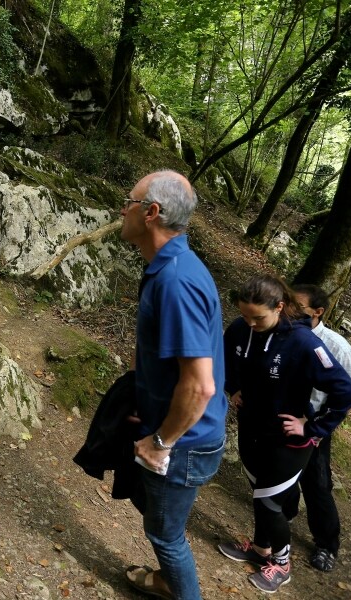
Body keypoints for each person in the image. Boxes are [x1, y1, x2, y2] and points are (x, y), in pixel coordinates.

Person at [121, 170, 227, 600]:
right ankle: (169, 579)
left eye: (127, 202)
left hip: (185, 442)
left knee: (166, 535)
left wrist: (161, 442)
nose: (121, 211)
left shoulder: (177, 281)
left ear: (151, 213)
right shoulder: (168, 266)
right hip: (174, 426)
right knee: (158, 518)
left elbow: (200, 386)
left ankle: (178, 588)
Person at [219, 275, 351, 594]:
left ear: (279, 307)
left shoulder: (302, 341)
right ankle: (259, 549)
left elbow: (345, 392)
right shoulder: (240, 330)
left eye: (259, 317)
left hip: (291, 439)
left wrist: (312, 427)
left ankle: (281, 564)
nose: (251, 323)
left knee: (270, 502)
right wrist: (234, 389)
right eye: (245, 315)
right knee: (259, 493)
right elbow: (227, 362)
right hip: (252, 429)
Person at [282, 283, 351, 572]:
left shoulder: (337, 346)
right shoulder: (281, 332)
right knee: (280, 472)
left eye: (298, 308)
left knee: (317, 485)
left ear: (318, 312)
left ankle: (327, 544)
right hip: (282, 418)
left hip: (314, 424)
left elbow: (348, 397)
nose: (289, 311)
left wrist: (315, 427)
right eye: (287, 304)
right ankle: (285, 513)